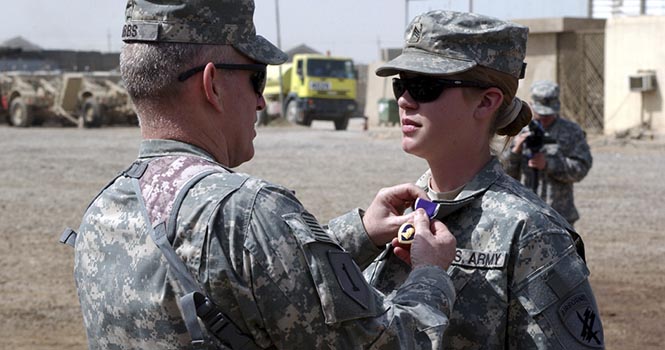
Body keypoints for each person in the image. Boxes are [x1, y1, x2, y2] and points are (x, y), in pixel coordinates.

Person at [61, 1, 459, 349]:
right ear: (212, 84)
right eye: (257, 79)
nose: (261, 101)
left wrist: (360, 232)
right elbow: (392, 343)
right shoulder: (248, 214)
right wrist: (429, 274)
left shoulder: (103, 211)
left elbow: (244, 276)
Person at [363, 10, 605, 349]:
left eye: (424, 86)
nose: (404, 100)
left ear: (487, 101)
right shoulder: (395, 215)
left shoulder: (531, 232)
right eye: (401, 84)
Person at [502, 80, 593, 226]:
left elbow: (581, 168)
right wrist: (515, 152)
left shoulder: (571, 131)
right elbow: (503, 175)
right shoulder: (519, 130)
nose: (544, 118)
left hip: (559, 216)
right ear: (531, 105)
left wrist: (550, 164)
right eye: (540, 113)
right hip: (524, 214)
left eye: (548, 114)